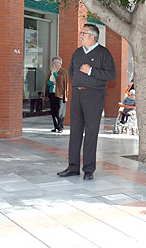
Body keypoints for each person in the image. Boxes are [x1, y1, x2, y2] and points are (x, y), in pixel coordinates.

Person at [58, 24, 116, 181]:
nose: (80, 35)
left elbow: (111, 74)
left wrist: (91, 71)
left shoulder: (103, 53)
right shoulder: (77, 53)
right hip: (77, 95)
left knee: (91, 132)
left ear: (92, 36)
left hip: (94, 96)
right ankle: (73, 167)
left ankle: (89, 169)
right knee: (75, 131)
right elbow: (71, 71)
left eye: (83, 33)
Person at [44, 56, 69, 133]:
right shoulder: (50, 72)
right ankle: (55, 126)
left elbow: (60, 80)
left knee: (60, 111)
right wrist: (52, 83)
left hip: (60, 94)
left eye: (57, 62)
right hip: (52, 93)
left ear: (60, 63)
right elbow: (47, 82)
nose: (56, 64)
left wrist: (55, 73)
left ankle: (60, 126)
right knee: (53, 110)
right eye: (54, 62)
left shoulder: (63, 71)